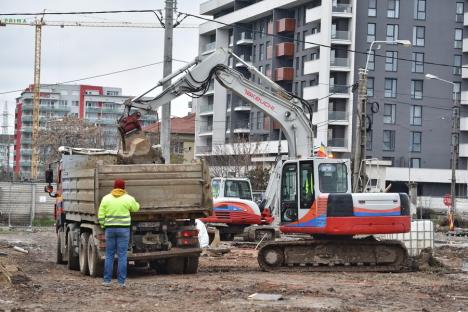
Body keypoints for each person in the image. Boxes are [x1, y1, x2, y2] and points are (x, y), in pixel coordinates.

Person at [98, 179, 140, 288]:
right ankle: (121, 282)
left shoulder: (106, 199)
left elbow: (101, 214)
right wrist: (136, 203)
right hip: (124, 230)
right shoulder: (128, 198)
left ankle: (107, 281)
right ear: (123, 188)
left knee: (109, 255)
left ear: (114, 187)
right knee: (122, 256)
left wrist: (103, 225)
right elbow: (136, 208)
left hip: (110, 230)